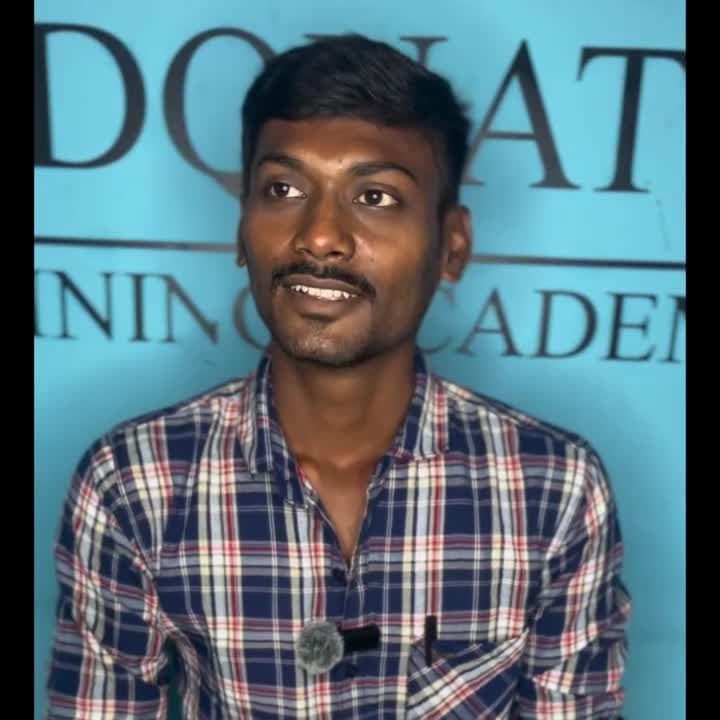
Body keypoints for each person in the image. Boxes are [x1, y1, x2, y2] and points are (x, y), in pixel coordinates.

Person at [46, 34, 631, 719]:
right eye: (284, 189)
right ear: (242, 230)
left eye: (376, 196)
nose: (320, 236)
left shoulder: (555, 489)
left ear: (452, 246)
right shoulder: (131, 483)